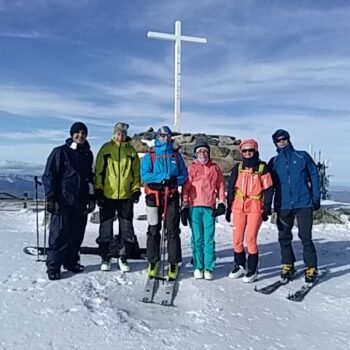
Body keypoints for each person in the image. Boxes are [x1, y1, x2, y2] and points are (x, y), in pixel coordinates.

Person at [42, 122, 95, 281]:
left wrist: (92, 197)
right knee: (58, 234)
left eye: (83, 133)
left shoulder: (88, 154)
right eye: (77, 133)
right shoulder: (60, 152)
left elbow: (90, 178)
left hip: (80, 201)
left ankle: (71, 262)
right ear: (72, 134)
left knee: (76, 234)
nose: (80, 135)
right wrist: (50, 197)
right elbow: (49, 176)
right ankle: (53, 267)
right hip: (62, 200)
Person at [268, 129, 321, 283]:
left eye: (284, 138)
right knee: (284, 237)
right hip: (283, 204)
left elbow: (315, 176)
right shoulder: (274, 162)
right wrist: (268, 204)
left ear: (289, 139)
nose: (282, 141)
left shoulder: (302, 156)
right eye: (279, 140)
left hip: (304, 202)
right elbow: (269, 185)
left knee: (305, 236)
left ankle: (311, 267)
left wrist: (316, 198)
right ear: (275, 143)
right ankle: (288, 265)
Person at [141, 126, 188, 281]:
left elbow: (183, 174)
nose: (165, 138)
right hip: (154, 196)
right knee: (153, 229)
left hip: (172, 196)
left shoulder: (175, 155)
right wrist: (162, 177)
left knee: (172, 229)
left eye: (167, 136)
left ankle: (174, 262)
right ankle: (153, 261)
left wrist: (176, 180)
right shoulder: (151, 154)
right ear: (157, 137)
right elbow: (145, 175)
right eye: (162, 136)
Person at [94, 122, 141, 272]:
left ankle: (123, 256)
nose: (120, 136)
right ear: (114, 134)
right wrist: (98, 190)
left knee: (126, 227)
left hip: (126, 196)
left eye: (123, 134)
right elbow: (99, 171)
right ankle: (105, 256)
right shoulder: (106, 149)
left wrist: (135, 190)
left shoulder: (132, 151)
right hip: (108, 195)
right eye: (118, 133)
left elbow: (136, 174)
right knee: (105, 226)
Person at [226, 139, 273, 283]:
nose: (247, 153)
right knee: (237, 239)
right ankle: (240, 265)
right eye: (245, 151)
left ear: (255, 150)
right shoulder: (238, 167)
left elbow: (269, 188)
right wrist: (229, 207)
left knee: (251, 239)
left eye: (250, 150)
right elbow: (231, 187)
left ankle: (252, 269)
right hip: (239, 205)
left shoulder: (261, 168)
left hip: (255, 206)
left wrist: (266, 207)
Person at [181, 139, 226, 280]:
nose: (203, 153)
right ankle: (198, 266)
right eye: (200, 151)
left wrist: (221, 203)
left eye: (205, 151)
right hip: (194, 207)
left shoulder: (215, 168)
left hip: (209, 207)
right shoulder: (191, 168)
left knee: (209, 238)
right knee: (197, 238)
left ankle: (208, 267)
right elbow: (186, 189)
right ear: (196, 154)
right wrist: (185, 205)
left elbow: (220, 186)